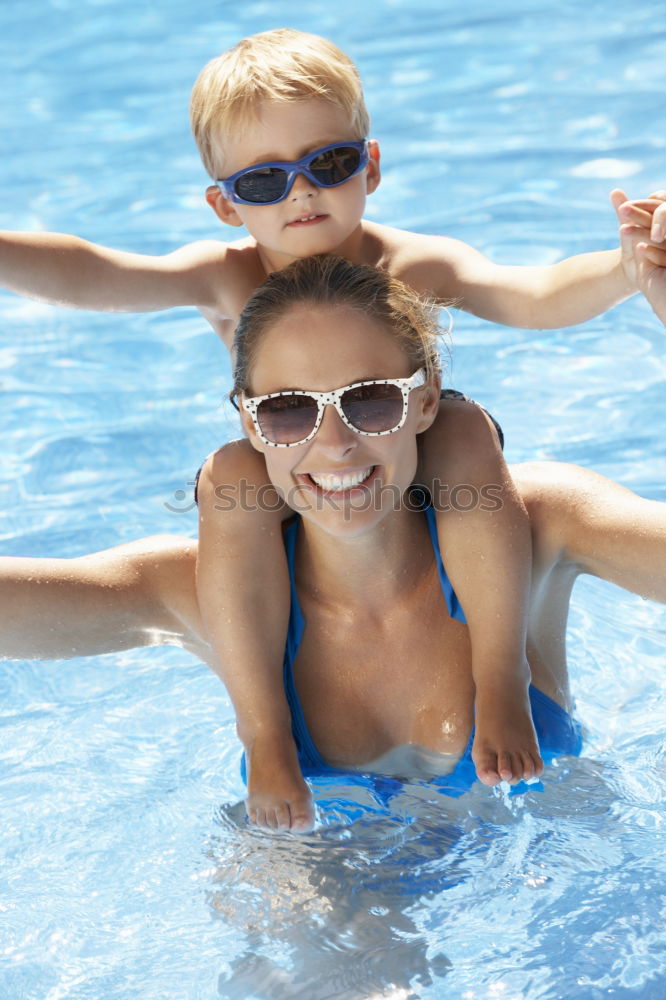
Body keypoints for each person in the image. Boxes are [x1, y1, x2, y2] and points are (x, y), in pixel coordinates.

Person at [1, 29, 664, 831]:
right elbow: (98, 273)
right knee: (234, 479)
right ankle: (268, 733)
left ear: (370, 165)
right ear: (226, 200)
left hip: (437, 467)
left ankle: (500, 680)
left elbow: (530, 292)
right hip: (278, 493)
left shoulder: (413, 272)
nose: (301, 193)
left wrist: (628, 269)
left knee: (459, 436)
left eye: (331, 164)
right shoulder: (225, 279)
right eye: (264, 179)